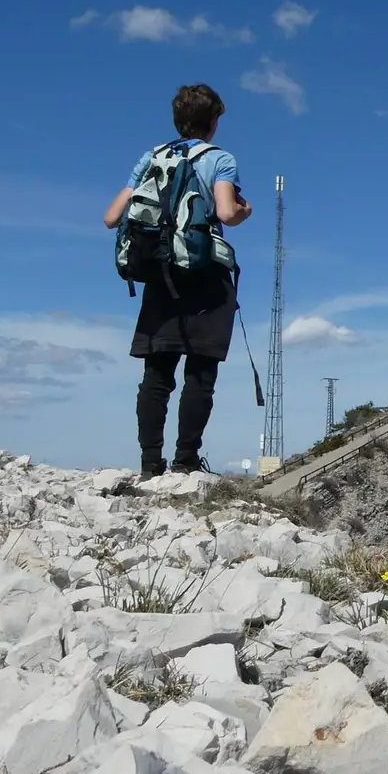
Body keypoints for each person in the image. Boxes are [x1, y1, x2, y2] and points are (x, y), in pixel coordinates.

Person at [101, 84, 251, 478]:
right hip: (205, 272)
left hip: (160, 271)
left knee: (156, 375)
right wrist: (244, 211)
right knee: (200, 374)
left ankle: (150, 464)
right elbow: (226, 211)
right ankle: (186, 461)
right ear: (214, 121)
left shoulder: (153, 157)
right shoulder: (220, 159)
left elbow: (112, 217)